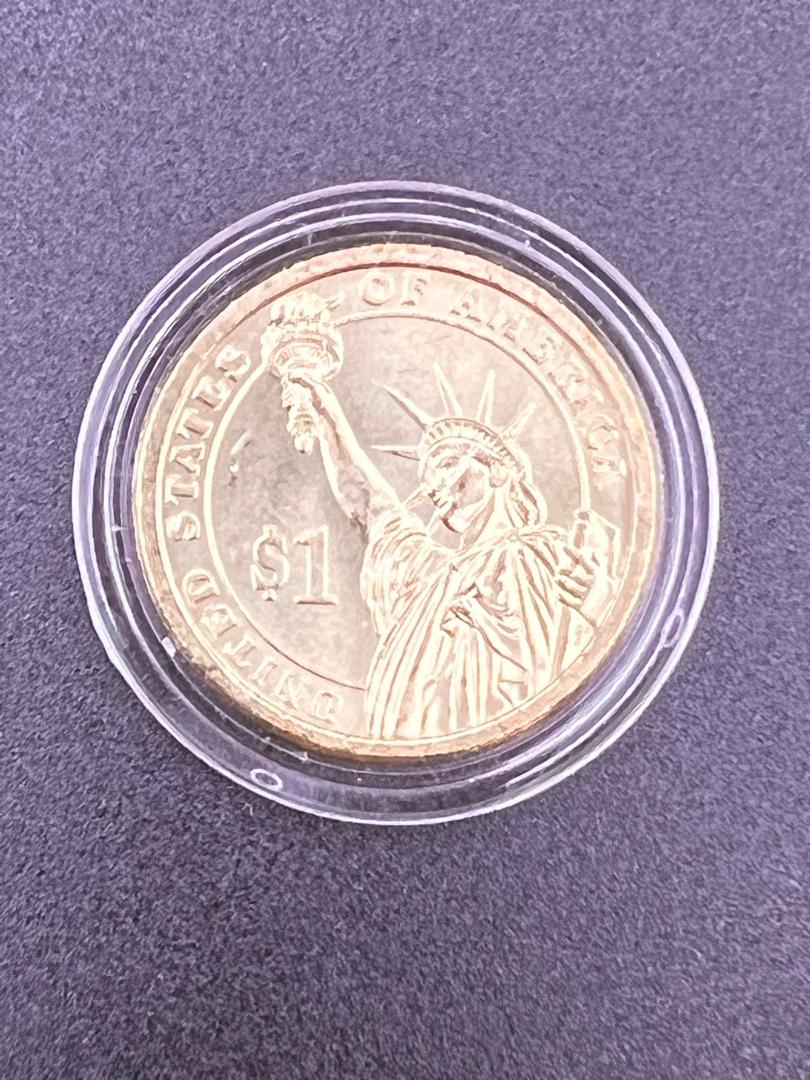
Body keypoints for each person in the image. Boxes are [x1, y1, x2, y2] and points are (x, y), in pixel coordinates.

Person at [287, 362, 613, 741]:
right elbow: (371, 503)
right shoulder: (428, 575)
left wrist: (600, 604)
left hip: (519, 744)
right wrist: (329, 418)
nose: (431, 489)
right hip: (413, 752)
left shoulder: (545, 555)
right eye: (426, 483)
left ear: (497, 471)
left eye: (445, 464)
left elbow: (579, 656)